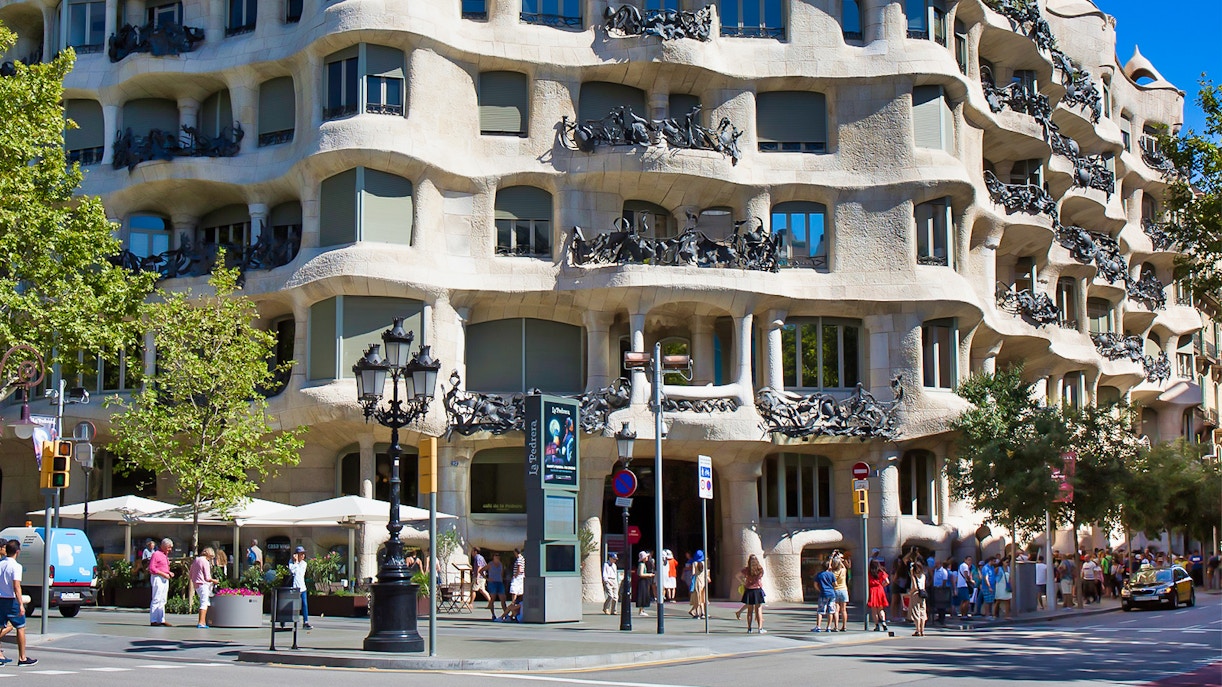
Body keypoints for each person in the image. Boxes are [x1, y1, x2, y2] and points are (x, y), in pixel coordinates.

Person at [0, 540, 35, 666]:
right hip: (11, 600)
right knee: (20, 627)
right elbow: (16, 586)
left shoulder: (0, 564)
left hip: (0, 599)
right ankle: (22, 657)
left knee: (1, 626)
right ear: (17, 552)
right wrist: (21, 604)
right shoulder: (16, 566)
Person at [188, 547, 218, 629]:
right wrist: (214, 581)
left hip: (196, 584)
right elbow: (207, 577)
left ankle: (203, 621)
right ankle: (201, 622)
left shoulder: (196, 560)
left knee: (205, 601)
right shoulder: (205, 562)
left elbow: (190, 574)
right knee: (204, 603)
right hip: (203, 584)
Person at [148, 538, 174, 626]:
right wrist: (163, 574)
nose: (170, 549)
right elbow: (152, 568)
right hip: (158, 578)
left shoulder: (164, 555)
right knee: (156, 598)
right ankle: (154, 619)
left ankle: (161, 619)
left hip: (164, 578)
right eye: (169, 547)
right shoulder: (156, 554)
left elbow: (162, 567)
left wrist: (168, 572)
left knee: (163, 599)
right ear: (163, 546)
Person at [738, 554, 766, 633]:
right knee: (758, 610)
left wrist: (743, 582)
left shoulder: (746, 570)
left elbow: (737, 576)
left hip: (749, 590)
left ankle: (749, 628)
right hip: (757, 590)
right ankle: (760, 628)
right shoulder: (760, 569)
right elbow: (760, 578)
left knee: (750, 611)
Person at [288, 546, 312, 629]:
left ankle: (306, 621)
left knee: (304, 604)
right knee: (291, 605)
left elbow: (300, 573)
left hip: (302, 587)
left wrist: (297, 563)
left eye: (303, 554)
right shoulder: (291, 562)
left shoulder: (304, 564)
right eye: (301, 554)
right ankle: (285, 620)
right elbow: (293, 571)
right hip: (294, 587)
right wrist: (295, 562)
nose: (303, 556)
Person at [812, 560, 837, 632]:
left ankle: (818, 626)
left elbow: (815, 585)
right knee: (830, 611)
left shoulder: (819, 575)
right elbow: (835, 584)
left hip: (823, 594)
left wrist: (819, 590)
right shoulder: (831, 574)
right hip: (832, 594)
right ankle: (828, 627)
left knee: (820, 611)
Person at [866, 560, 889, 632]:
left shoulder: (869, 573)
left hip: (873, 590)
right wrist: (882, 585)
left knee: (874, 610)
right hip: (880, 589)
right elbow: (887, 581)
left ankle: (877, 625)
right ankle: (884, 622)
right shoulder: (881, 572)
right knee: (881, 609)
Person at [908, 559, 928, 637]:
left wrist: (910, 593)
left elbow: (915, 587)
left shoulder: (914, 576)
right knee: (922, 611)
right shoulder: (923, 576)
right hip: (923, 594)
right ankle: (922, 630)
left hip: (915, 594)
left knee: (916, 612)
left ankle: (917, 630)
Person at [504, 548, 525, 621]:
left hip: (518, 577)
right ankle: (511, 614)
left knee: (514, 592)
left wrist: (515, 576)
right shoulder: (522, 559)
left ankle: (513, 604)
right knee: (518, 593)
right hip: (521, 577)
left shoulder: (519, 559)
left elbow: (519, 569)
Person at [831, 552, 849, 632]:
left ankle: (836, 626)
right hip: (844, 590)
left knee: (836, 610)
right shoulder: (843, 571)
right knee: (844, 610)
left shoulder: (832, 573)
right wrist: (840, 560)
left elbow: (829, 566)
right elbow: (844, 566)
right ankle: (844, 626)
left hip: (835, 590)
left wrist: (832, 557)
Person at [486, 552, 507, 620]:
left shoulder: (501, 564)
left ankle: (506, 614)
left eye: (498, 555)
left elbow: (502, 573)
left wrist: (502, 579)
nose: (497, 557)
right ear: (493, 557)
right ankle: (493, 614)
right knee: (492, 599)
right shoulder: (490, 564)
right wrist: (487, 578)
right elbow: (481, 571)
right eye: (496, 555)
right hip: (492, 583)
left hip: (499, 582)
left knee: (503, 599)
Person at [688, 550, 708, 619]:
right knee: (702, 598)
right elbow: (706, 573)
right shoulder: (704, 563)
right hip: (703, 583)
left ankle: (697, 613)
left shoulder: (694, 563)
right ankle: (703, 613)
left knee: (697, 598)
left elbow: (693, 573)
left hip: (697, 582)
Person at [931, 558, 952, 625]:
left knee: (942, 604)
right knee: (937, 604)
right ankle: (939, 617)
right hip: (935, 588)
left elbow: (944, 580)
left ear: (940, 564)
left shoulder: (943, 571)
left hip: (941, 589)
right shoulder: (935, 571)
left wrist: (942, 587)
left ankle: (942, 618)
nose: (935, 565)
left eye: (937, 564)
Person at [635, 551, 655, 616]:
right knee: (642, 595)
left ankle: (642, 609)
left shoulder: (643, 564)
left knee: (644, 594)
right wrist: (649, 575)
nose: (647, 558)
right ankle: (641, 610)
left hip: (644, 581)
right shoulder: (642, 565)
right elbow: (641, 574)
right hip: (642, 581)